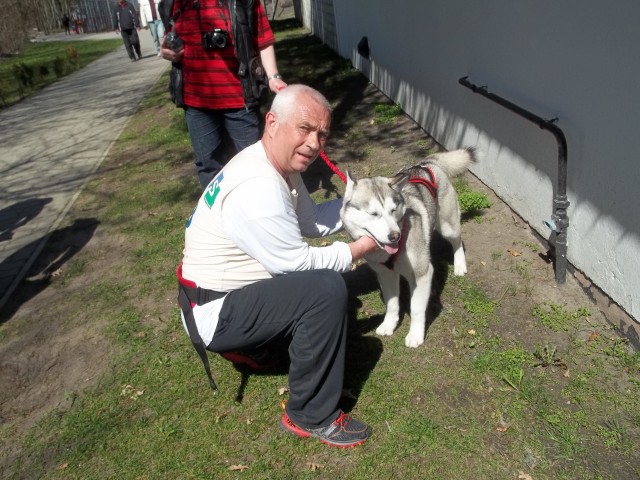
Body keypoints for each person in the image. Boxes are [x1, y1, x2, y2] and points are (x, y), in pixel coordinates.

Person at [176, 84, 381, 448]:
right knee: (326, 290)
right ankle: (310, 415)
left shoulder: (277, 165)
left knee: (322, 291)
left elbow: (311, 222)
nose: (314, 143)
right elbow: (296, 264)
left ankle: (260, 350)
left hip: (223, 296)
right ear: (272, 123)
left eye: (322, 134)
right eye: (305, 128)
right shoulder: (259, 185)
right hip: (214, 312)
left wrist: (364, 203)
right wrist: (362, 247)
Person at [160, 0, 286, 190]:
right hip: (196, 102)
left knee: (256, 161)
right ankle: (220, 208)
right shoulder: (176, 2)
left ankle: (261, 203)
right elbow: (170, 38)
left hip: (239, 99)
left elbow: (263, 40)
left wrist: (273, 77)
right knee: (208, 164)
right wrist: (166, 51)